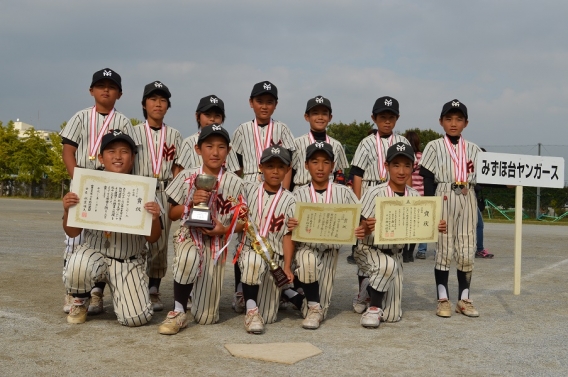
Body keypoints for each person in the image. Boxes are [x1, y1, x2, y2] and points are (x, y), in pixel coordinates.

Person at [60, 68, 142, 315]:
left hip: (113, 186)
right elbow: (68, 151)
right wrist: (80, 181)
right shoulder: (80, 117)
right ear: (91, 90)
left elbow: (130, 158)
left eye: (111, 86)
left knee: (108, 239)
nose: (106, 89)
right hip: (85, 184)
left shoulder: (124, 122)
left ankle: (97, 293)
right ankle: (75, 293)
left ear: (119, 93)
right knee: (74, 241)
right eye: (100, 85)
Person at [62, 131, 161, 326]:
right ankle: (81, 299)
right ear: (101, 157)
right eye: (111, 151)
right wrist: (67, 210)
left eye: (125, 151)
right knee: (78, 261)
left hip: (127, 261)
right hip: (95, 254)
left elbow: (153, 238)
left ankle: (123, 298)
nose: (117, 156)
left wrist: (155, 218)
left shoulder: (144, 189)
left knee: (136, 319)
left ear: (132, 157)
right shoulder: (87, 185)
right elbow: (73, 233)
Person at [158, 125, 244, 335]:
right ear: (198, 149)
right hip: (189, 236)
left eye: (221, 147)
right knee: (188, 257)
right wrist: (190, 202)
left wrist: (224, 229)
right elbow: (172, 213)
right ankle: (178, 309)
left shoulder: (235, 182)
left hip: (216, 245)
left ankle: (197, 292)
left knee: (206, 318)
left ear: (228, 151)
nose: (215, 152)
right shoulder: (187, 176)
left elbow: (243, 220)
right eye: (209, 146)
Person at [354, 142, 447, 327]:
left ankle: (369, 287)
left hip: (395, 255)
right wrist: (365, 227)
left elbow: (420, 226)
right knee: (385, 266)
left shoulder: (414, 197)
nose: (402, 170)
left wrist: (436, 226)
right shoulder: (374, 192)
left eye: (407, 165)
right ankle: (373, 307)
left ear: (413, 167)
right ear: (387, 166)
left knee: (393, 316)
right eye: (396, 165)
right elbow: (357, 225)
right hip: (368, 250)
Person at [419, 99, 482, 318]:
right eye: (449, 119)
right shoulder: (434, 146)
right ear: (441, 121)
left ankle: (464, 299)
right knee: (444, 249)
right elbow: (427, 178)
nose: (453, 123)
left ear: (466, 122)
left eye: (458, 119)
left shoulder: (474, 149)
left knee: (466, 249)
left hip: (468, 196)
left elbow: (481, 180)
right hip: (443, 195)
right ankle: (442, 299)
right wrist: (430, 208)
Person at [287, 142, 359, 329]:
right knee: (307, 264)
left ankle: (292, 295)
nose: (320, 167)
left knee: (322, 309)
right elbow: (287, 225)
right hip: (306, 248)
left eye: (325, 162)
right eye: (315, 162)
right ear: (306, 165)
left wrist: (361, 228)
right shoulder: (297, 193)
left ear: (333, 166)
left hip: (330, 252)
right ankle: (312, 305)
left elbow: (360, 217)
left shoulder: (344, 192)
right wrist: (291, 223)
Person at [349, 97, 410, 310]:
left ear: (397, 118)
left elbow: (408, 173)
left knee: (390, 240)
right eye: (382, 117)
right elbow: (357, 173)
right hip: (371, 191)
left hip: (395, 195)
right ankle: (363, 292)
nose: (386, 121)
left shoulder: (402, 141)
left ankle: (375, 289)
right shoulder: (366, 142)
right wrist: (358, 207)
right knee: (366, 242)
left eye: (391, 117)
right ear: (374, 118)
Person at [131, 81, 183, 312]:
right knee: (136, 239)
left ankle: (153, 288)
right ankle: (134, 283)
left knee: (160, 243)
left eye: (162, 100)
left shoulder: (174, 134)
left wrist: (176, 196)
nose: (158, 104)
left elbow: (177, 170)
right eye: (153, 99)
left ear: (167, 106)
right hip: (139, 188)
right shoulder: (132, 132)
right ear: (144, 104)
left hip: (164, 189)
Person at [236, 146, 296, 334]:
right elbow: (236, 223)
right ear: (261, 167)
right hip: (250, 251)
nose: (275, 171)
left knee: (269, 317)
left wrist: (286, 266)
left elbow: (288, 235)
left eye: (280, 166)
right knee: (253, 263)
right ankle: (251, 310)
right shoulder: (248, 190)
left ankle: (284, 292)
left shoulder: (290, 200)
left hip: (274, 259)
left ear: (288, 170)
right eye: (270, 166)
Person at [226, 81, 296, 189]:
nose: (264, 106)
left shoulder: (282, 129)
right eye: (259, 101)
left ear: (275, 104)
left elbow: (289, 166)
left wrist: (285, 192)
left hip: (277, 184)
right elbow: (236, 167)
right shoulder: (241, 130)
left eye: (269, 102)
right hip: (249, 183)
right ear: (251, 102)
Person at [291, 96, 348, 190]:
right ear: (307, 117)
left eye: (324, 113)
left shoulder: (336, 145)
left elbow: (338, 174)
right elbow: (291, 172)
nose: (320, 117)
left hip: (328, 192)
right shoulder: (297, 143)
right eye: (315, 113)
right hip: (301, 190)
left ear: (330, 117)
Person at [177, 95, 226, 170]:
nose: (212, 119)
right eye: (207, 115)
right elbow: (181, 170)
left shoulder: (226, 143)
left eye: (217, 115)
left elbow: (235, 171)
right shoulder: (189, 142)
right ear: (197, 116)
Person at [402, 130, 428, 262]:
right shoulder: (423, 157)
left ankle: (404, 252)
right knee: (417, 226)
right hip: (421, 194)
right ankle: (413, 253)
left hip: (408, 193)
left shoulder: (405, 157)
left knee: (406, 225)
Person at [475, 148, 494, 258]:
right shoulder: (474, 168)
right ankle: (479, 249)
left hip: (470, 199)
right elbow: (473, 186)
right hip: (470, 199)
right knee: (479, 225)